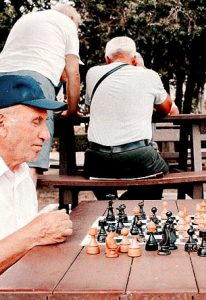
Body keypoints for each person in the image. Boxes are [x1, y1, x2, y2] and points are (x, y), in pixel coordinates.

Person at [0, 3, 81, 185]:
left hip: (2, 78)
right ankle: (27, 211)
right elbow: (72, 73)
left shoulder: (27, 18)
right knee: (30, 159)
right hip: (35, 81)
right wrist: (72, 111)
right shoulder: (67, 24)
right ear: (72, 19)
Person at [84, 36, 174, 199]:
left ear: (107, 59)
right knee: (162, 174)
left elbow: (92, 104)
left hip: (96, 159)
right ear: (134, 59)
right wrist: (143, 69)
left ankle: (109, 204)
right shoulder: (148, 75)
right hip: (137, 155)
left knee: (99, 174)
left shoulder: (92, 73)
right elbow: (167, 108)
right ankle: (122, 205)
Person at [0, 75, 73, 274]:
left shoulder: (21, 171)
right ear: (1, 124)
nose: (46, 134)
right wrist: (35, 233)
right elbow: (29, 238)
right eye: (36, 122)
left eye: (45, 122)